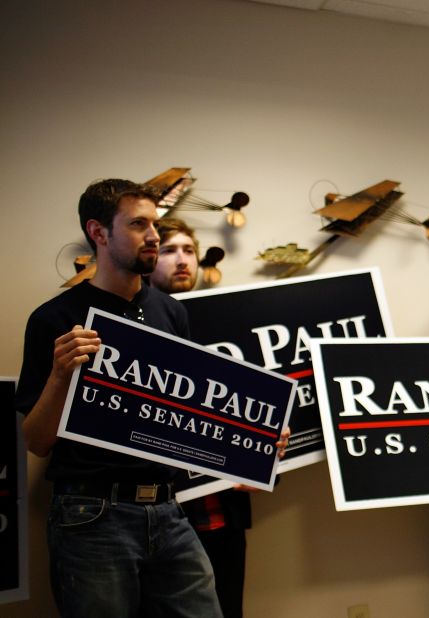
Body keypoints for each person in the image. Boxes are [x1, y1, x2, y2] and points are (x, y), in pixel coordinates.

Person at [15, 179, 223, 617]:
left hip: (169, 510)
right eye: (138, 224)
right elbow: (35, 441)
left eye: (156, 224)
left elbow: (186, 412)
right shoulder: (54, 318)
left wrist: (254, 443)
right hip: (92, 514)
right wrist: (59, 376)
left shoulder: (172, 311)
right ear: (99, 232)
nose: (154, 236)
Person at [151, 217, 253, 618]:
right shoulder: (130, 326)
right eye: (168, 250)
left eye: (188, 251)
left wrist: (262, 459)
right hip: (159, 516)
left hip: (222, 512)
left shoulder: (225, 324)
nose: (181, 260)